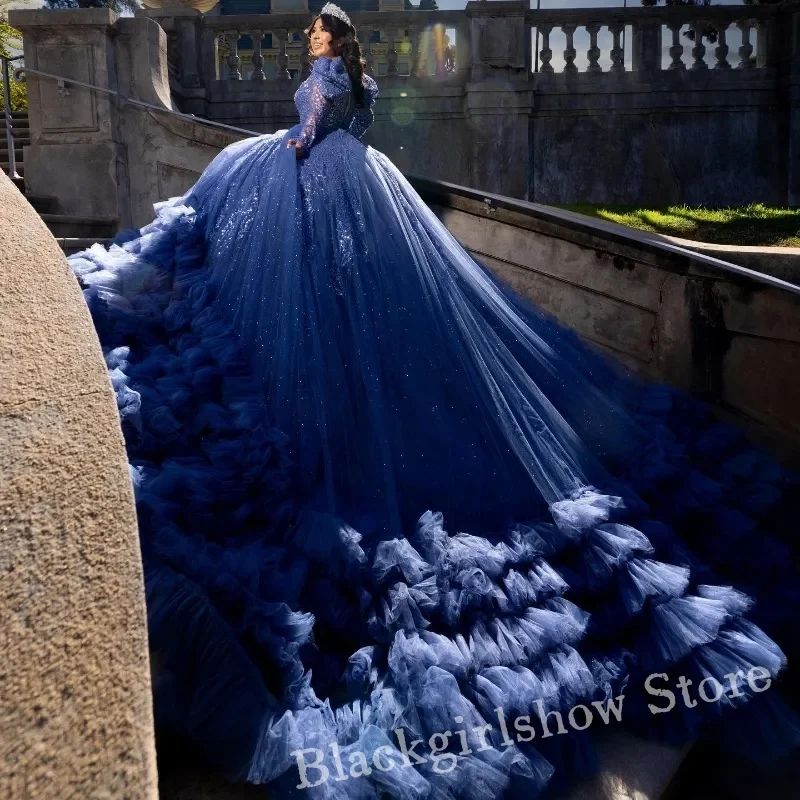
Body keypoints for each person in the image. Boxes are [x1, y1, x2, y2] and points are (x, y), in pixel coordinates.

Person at [68, 4, 800, 798]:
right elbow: (360, 125)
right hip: (364, 180)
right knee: (363, 316)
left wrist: (289, 151)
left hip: (316, 180)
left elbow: (308, 135)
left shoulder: (321, 81)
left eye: (317, 31)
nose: (311, 40)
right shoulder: (360, 78)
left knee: (306, 324)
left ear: (329, 41)